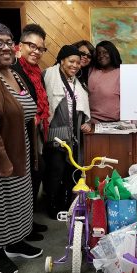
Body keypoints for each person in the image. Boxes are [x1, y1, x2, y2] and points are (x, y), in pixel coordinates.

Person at [0, 22, 42, 273]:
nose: (6, 47)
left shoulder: (14, 73)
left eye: (9, 42)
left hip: (20, 150)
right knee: (1, 207)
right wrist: (2, 162)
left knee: (19, 202)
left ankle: (15, 243)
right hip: (0, 158)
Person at [11, 23, 49, 242]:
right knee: (24, 180)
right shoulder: (14, 69)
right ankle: (19, 230)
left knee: (35, 175)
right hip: (19, 135)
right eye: (31, 46)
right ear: (20, 45)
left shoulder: (35, 72)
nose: (35, 51)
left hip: (34, 132)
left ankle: (27, 222)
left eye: (40, 48)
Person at [43, 45, 90, 219]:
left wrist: (87, 121)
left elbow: (83, 108)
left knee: (70, 170)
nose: (75, 65)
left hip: (73, 135)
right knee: (55, 171)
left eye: (78, 62)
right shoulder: (48, 76)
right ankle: (52, 205)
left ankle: (65, 204)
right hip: (55, 133)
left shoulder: (78, 82)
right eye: (71, 61)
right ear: (62, 61)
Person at [87, 40, 122, 129]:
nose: (101, 56)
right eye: (99, 53)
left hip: (114, 124)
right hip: (91, 123)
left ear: (112, 53)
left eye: (105, 52)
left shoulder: (121, 73)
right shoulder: (91, 70)